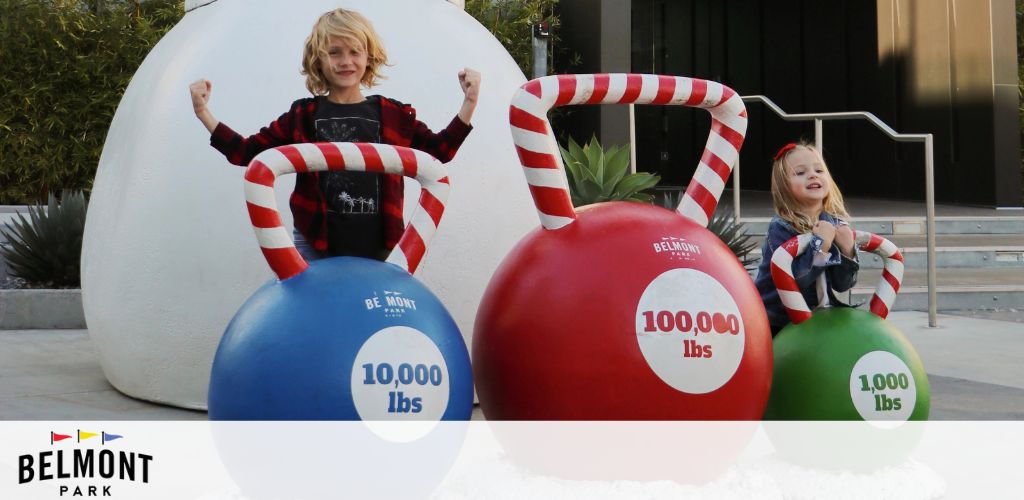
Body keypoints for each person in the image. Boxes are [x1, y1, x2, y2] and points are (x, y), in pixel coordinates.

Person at [188, 8, 480, 261]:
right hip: (315, 245)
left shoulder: (392, 115)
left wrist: (469, 102)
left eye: (355, 51)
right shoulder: (302, 116)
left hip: (382, 248)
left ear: (369, 57)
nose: (345, 61)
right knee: (313, 320)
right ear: (318, 59)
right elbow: (246, 152)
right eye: (334, 52)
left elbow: (439, 152)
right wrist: (204, 113)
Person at [753, 142, 859, 335]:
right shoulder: (781, 227)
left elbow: (843, 284)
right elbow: (796, 282)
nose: (812, 175)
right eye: (800, 173)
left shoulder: (833, 223)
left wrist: (847, 250)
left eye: (819, 170)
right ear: (784, 186)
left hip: (815, 316)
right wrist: (821, 246)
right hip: (777, 319)